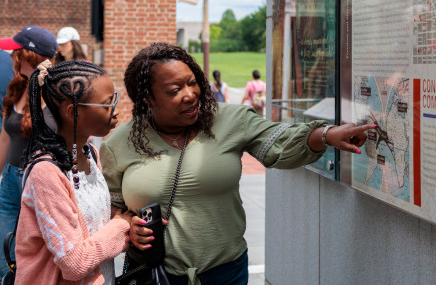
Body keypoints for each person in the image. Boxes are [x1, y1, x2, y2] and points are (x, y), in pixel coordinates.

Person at [101, 43, 374, 285]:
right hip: (155, 273)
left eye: (193, 82)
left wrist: (326, 135)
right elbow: (111, 211)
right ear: (147, 99)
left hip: (225, 272)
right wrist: (127, 228)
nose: (190, 94)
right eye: (174, 90)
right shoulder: (119, 144)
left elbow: (281, 141)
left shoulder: (232, 119)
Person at [15, 60, 138, 285]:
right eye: (107, 103)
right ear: (73, 112)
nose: (116, 109)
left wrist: (130, 226)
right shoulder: (46, 174)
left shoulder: (90, 153)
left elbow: (92, 221)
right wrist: (121, 225)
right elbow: (74, 263)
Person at [0, 26, 58, 279]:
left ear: (29, 56)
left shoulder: (57, 91)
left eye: (16, 53)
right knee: (4, 252)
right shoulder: (18, 86)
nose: (11, 57)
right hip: (12, 179)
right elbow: (5, 138)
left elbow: (82, 136)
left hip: (38, 181)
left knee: (34, 254)